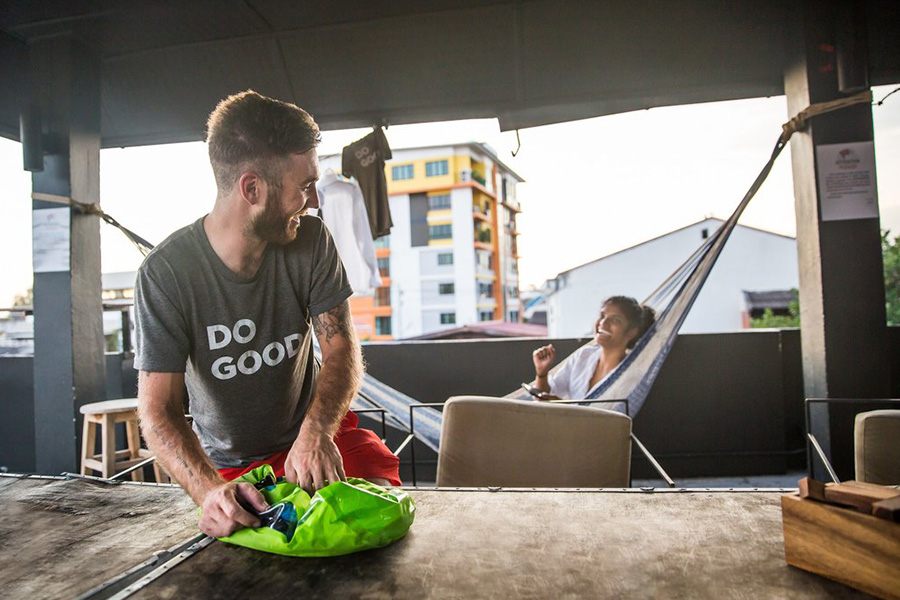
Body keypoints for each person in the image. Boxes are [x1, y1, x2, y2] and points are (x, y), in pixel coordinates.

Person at [134, 90, 400, 539]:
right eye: (303, 185)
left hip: (317, 439)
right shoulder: (165, 274)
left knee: (375, 521)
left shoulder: (312, 240)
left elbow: (340, 351)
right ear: (252, 189)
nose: (314, 200)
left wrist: (316, 432)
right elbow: (158, 412)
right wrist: (209, 492)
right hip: (232, 469)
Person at [530, 296, 656, 401]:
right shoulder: (584, 356)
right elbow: (545, 394)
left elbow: (614, 421)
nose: (603, 323)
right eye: (602, 316)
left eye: (615, 320)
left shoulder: (632, 376)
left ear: (632, 332)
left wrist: (561, 405)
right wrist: (541, 373)